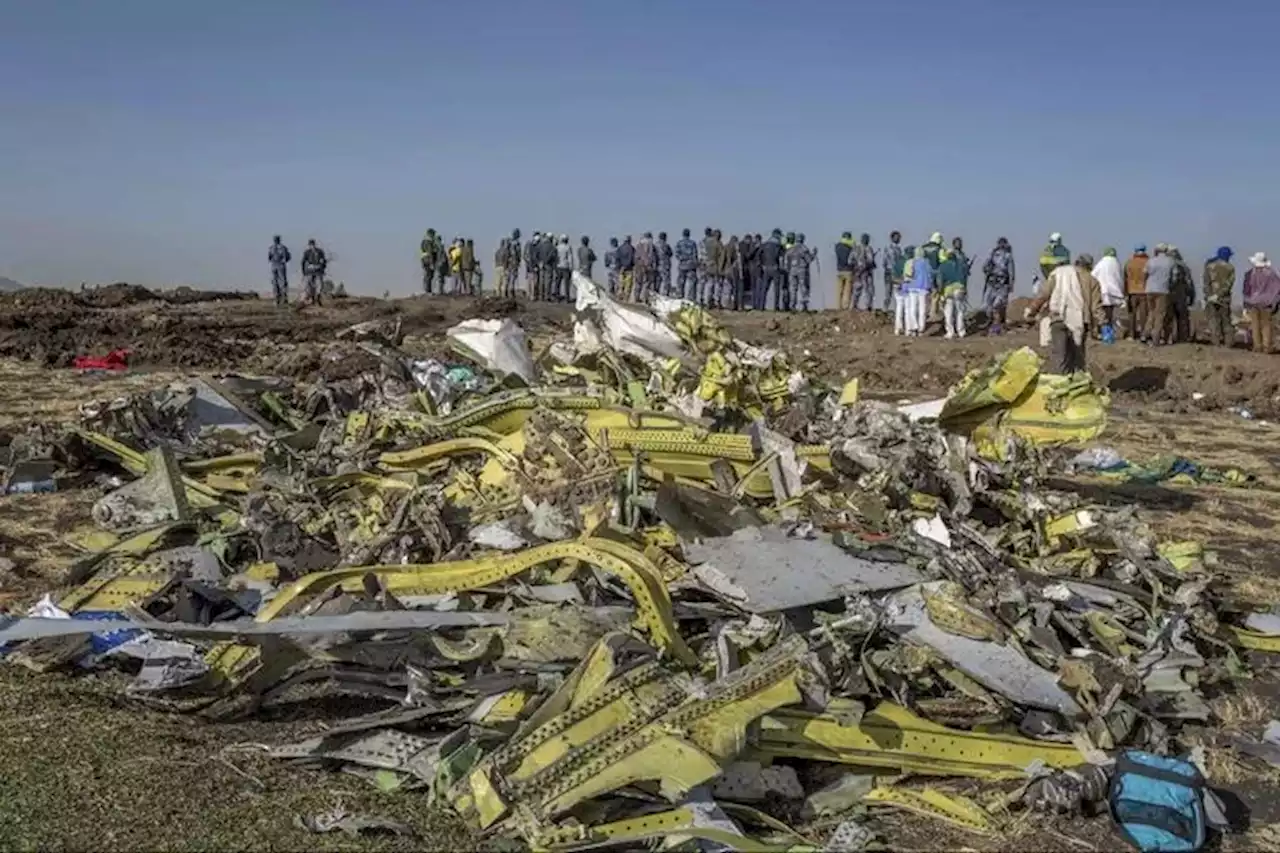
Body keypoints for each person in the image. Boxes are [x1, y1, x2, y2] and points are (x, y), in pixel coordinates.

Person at [1025, 254, 1105, 374]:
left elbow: (1043, 295)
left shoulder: (1059, 274)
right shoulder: (1092, 281)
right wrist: (1102, 324)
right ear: (1090, 266)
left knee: (1060, 356)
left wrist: (1031, 311)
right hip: (1080, 322)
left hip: (1058, 319)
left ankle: (1060, 383)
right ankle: (1075, 385)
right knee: (1077, 358)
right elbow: (1096, 308)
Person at [1243, 252, 1280, 353]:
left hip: (1253, 302)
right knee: (1266, 325)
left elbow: (1246, 290)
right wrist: (1275, 302)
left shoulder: (1249, 273)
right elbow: (1278, 289)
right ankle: (1267, 346)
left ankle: (1257, 346)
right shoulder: (1271, 274)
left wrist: (1245, 304)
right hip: (1267, 303)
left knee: (1255, 325)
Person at [1203, 247, 1236, 347]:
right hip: (1224, 298)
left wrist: (1209, 295)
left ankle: (1215, 342)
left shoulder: (1209, 266)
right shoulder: (1230, 268)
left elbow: (1206, 283)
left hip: (1210, 298)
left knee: (1213, 320)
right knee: (1226, 320)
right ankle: (1228, 343)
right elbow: (1229, 284)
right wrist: (1219, 295)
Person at [982, 237, 1016, 334]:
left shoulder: (1008, 256)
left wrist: (1011, 284)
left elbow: (1011, 272)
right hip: (992, 282)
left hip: (1002, 283)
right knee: (988, 306)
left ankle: (997, 327)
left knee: (997, 305)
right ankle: (992, 325)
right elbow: (984, 267)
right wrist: (988, 271)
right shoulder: (992, 254)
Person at [1143, 244, 1175, 346]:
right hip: (1163, 290)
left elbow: (1144, 274)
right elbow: (1174, 277)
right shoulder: (1170, 262)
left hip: (1150, 290)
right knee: (1160, 315)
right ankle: (1155, 338)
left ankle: (1145, 334)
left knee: (1151, 312)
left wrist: (1146, 285)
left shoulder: (1151, 261)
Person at [1091, 248, 1125, 338]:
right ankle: (1109, 332)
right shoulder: (1117, 264)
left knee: (1101, 313)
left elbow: (1093, 275)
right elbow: (1120, 278)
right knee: (1110, 313)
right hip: (1114, 292)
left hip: (1102, 291)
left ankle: (1100, 332)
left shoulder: (1101, 263)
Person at [900, 247, 933, 336]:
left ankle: (914, 326)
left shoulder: (912, 262)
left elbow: (908, 274)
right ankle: (921, 329)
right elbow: (930, 275)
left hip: (913, 286)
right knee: (922, 309)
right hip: (924, 287)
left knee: (912, 308)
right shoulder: (927, 263)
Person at [937, 247, 967, 338]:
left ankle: (950, 332)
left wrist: (940, 292)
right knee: (960, 311)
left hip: (948, 290)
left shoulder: (943, 265)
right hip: (960, 289)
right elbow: (964, 278)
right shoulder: (961, 265)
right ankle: (961, 331)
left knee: (948, 312)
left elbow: (940, 280)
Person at [1167, 246, 1195, 343]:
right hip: (1181, 294)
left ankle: (1168, 337)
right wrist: (1192, 296)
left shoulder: (1165, 265)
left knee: (1168, 317)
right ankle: (1183, 338)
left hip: (1168, 294)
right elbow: (1189, 282)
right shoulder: (1183, 265)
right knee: (1182, 317)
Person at [1124, 245, 1149, 341]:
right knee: (1144, 314)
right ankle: (1143, 334)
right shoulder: (1148, 262)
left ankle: (1131, 334)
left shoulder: (1129, 263)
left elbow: (1125, 278)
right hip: (1144, 291)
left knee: (1131, 314)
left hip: (1132, 291)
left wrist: (1125, 293)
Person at [758, 229, 784, 311]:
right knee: (776, 289)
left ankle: (761, 306)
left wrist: (762, 265)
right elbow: (782, 256)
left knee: (764, 289)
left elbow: (759, 256)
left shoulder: (764, 245)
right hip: (775, 268)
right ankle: (776, 307)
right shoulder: (778, 246)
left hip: (766, 269)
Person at [882, 231, 905, 313]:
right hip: (889, 271)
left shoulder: (899, 249)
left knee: (897, 293)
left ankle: (897, 310)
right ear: (892, 238)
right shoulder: (888, 248)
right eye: (897, 237)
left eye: (899, 237)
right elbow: (884, 261)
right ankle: (885, 309)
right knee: (888, 292)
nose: (898, 239)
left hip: (897, 272)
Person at [301, 239, 327, 306]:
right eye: (310, 245)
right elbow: (303, 262)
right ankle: (312, 299)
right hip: (309, 271)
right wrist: (304, 271)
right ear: (309, 245)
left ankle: (318, 298)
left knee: (319, 285)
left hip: (318, 271)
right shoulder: (307, 252)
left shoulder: (320, 251)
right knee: (310, 287)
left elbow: (324, 261)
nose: (312, 246)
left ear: (314, 244)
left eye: (312, 244)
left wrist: (322, 268)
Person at [834, 232, 856, 310]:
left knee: (839, 290)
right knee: (847, 290)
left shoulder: (837, 246)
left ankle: (838, 306)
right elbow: (854, 257)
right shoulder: (850, 248)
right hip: (848, 270)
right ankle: (845, 306)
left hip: (839, 270)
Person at [675, 229, 698, 301]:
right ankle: (690, 298)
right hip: (691, 265)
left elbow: (677, 254)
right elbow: (695, 255)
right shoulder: (693, 243)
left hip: (682, 265)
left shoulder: (679, 243)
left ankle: (679, 296)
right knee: (691, 282)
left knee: (681, 282)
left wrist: (682, 258)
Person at [268, 235, 291, 307]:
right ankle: (282, 299)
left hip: (275, 265)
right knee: (280, 282)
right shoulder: (282, 248)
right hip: (279, 265)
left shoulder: (272, 248)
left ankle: (279, 299)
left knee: (277, 282)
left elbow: (269, 258)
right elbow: (287, 257)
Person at [635, 231, 657, 302]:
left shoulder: (639, 245)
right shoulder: (651, 245)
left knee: (638, 282)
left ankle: (637, 297)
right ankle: (646, 298)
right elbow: (652, 256)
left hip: (639, 266)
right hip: (648, 267)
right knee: (647, 283)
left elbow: (636, 256)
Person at [419, 229, 440, 294]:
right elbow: (430, 252)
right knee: (429, 275)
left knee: (427, 275)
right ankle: (428, 291)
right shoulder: (428, 242)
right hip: (428, 260)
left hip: (424, 260)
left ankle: (427, 290)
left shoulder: (424, 241)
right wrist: (431, 263)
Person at [616, 235, 636, 301]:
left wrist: (620, 267)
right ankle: (626, 300)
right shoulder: (632, 249)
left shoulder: (619, 248)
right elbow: (633, 259)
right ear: (630, 240)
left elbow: (617, 259)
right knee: (628, 285)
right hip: (629, 269)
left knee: (621, 285)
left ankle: (619, 298)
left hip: (621, 269)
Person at [555, 234, 574, 301]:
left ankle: (557, 297)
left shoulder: (557, 247)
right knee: (567, 283)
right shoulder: (568, 247)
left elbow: (556, 257)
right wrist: (571, 267)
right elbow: (570, 258)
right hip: (566, 267)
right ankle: (567, 298)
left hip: (558, 266)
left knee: (558, 282)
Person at [725, 235, 742, 310]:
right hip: (733, 270)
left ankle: (728, 304)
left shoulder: (726, 246)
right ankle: (734, 305)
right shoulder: (735, 248)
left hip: (726, 270)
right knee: (735, 288)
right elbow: (734, 259)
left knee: (728, 288)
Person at [506, 229, 522, 296]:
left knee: (509, 277)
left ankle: (506, 290)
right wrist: (518, 261)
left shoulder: (509, 242)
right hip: (514, 261)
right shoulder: (516, 243)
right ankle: (511, 290)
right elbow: (517, 253)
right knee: (513, 276)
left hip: (509, 261)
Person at [657, 231, 673, 297]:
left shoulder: (655, 245)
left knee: (658, 280)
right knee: (666, 281)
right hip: (665, 265)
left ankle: (656, 292)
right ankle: (665, 294)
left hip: (657, 265)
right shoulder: (666, 245)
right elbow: (671, 254)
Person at [524, 232, 540, 296]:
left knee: (529, 280)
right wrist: (535, 266)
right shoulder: (533, 247)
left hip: (528, 265)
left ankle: (528, 293)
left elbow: (525, 256)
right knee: (533, 281)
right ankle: (532, 295)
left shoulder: (528, 244)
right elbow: (534, 257)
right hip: (532, 266)